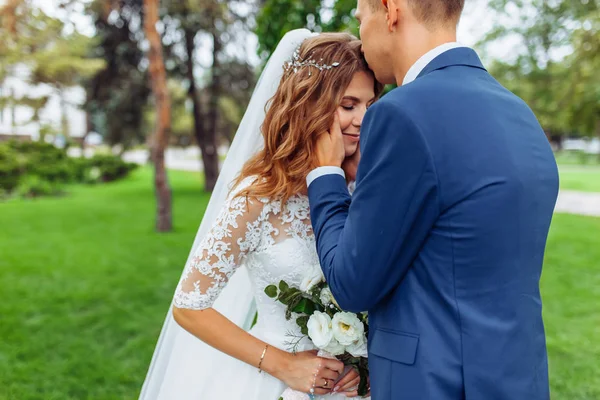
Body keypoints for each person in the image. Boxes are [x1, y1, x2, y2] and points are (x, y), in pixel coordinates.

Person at [307, 0, 559, 398]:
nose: (361, 35)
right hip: (516, 378)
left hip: (435, 382)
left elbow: (352, 284)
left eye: (361, 17)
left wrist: (325, 175)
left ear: (390, 10)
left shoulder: (400, 114)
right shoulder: (519, 113)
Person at [139, 29, 383, 400]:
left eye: (370, 105)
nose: (363, 119)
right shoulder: (259, 195)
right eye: (349, 106)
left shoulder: (362, 186)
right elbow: (189, 306)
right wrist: (285, 365)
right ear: (310, 105)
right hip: (275, 384)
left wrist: (359, 364)